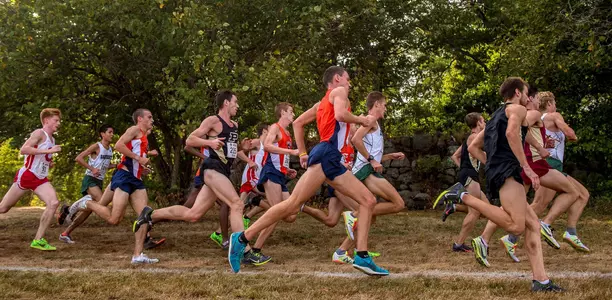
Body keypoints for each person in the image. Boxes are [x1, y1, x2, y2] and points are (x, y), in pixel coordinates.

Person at [228, 66, 388, 276]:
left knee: (365, 201)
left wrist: (303, 152)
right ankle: (241, 239)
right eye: (347, 79)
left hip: (328, 158)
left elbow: (298, 123)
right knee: (294, 204)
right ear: (338, 78)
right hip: (327, 155)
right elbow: (340, 115)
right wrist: (361, 120)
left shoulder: (321, 103)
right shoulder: (339, 92)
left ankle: (362, 256)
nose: (349, 84)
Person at [438, 77, 563, 292]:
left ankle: (541, 281)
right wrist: (526, 167)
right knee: (516, 226)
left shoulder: (496, 115)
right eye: (525, 93)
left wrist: (494, 164)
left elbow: (474, 148)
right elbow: (511, 133)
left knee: (532, 225)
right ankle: (462, 196)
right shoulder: (518, 110)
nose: (527, 97)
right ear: (517, 93)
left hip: (500, 171)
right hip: (509, 172)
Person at [147, 90, 251, 250]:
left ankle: (150, 215)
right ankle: (243, 251)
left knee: (193, 214)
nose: (237, 105)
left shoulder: (235, 126)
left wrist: (241, 148)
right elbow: (190, 140)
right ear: (226, 103)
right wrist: (209, 143)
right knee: (237, 203)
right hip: (212, 168)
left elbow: (228, 150)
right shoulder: (213, 121)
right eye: (235, 102)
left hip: (223, 170)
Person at [68, 108, 159, 264]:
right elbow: (118, 145)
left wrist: (142, 168)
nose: (152, 120)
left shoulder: (144, 137)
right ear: (140, 119)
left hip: (136, 180)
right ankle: (86, 202)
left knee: (145, 216)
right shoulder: (134, 130)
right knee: (114, 219)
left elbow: (134, 158)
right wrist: (138, 158)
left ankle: (137, 255)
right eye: (149, 117)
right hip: (123, 177)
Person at [532, 92, 589, 252]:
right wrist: (572, 135)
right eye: (554, 102)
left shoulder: (539, 120)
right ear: (549, 103)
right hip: (552, 164)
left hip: (547, 162)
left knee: (581, 195)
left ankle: (571, 232)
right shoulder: (554, 115)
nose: (555, 105)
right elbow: (569, 133)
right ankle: (547, 224)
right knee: (577, 194)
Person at [242, 103, 299, 265]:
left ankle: (248, 244)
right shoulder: (275, 128)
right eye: (290, 112)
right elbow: (267, 146)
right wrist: (291, 152)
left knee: (291, 214)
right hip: (270, 173)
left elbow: (278, 155)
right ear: (282, 113)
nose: (293, 114)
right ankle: (250, 249)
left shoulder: (287, 133)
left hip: (280, 175)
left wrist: (286, 169)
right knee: (276, 214)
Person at [0, 108, 62, 251]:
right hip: (28, 175)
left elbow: (41, 158)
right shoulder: (39, 133)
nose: (58, 123)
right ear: (46, 120)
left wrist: (49, 162)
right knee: (3, 208)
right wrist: (49, 151)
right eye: (56, 120)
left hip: (40, 178)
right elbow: (24, 149)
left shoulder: (52, 139)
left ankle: (38, 240)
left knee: (53, 203)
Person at [436, 112, 489, 252]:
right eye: (483, 120)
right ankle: (458, 244)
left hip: (468, 175)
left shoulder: (469, 138)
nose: (485, 122)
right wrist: (467, 170)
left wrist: (464, 169)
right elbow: (485, 153)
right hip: (471, 176)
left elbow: (455, 156)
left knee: (487, 210)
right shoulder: (474, 137)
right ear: (478, 122)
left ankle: (455, 207)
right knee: (475, 212)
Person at [58, 124, 115, 244]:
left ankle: (65, 233)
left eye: (112, 132)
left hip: (99, 181)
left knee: (89, 210)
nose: (112, 134)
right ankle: (72, 208)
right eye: (109, 132)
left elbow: (104, 166)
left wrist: (116, 165)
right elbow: (79, 158)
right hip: (90, 179)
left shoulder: (110, 149)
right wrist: (92, 168)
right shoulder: (96, 146)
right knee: (101, 203)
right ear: (102, 134)